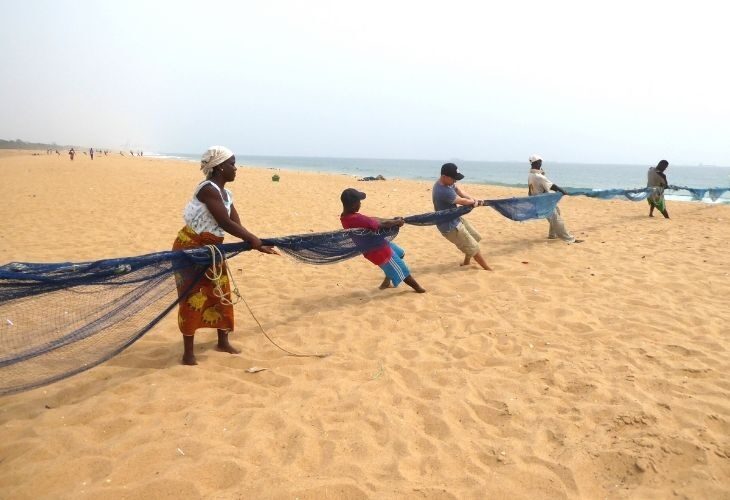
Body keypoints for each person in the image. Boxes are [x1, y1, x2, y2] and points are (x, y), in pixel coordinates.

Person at [173, 146, 277, 365]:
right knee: (193, 298)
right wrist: (253, 241)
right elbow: (224, 223)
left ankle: (223, 341)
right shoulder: (208, 189)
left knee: (221, 293)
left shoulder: (226, 194)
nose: (235, 169)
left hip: (213, 249)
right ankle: (188, 354)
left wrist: (254, 240)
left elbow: (236, 222)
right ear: (219, 167)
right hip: (191, 247)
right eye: (232, 164)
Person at [340, 188, 426, 293]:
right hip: (378, 250)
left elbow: (373, 219)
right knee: (401, 269)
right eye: (359, 202)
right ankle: (419, 289)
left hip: (376, 243)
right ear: (353, 204)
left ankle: (386, 282)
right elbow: (381, 225)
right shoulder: (355, 219)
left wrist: (393, 220)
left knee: (400, 253)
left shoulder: (346, 216)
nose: (360, 204)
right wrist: (396, 222)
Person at [432, 163, 492, 270]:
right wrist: (473, 202)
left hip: (455, 218)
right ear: (444, 177)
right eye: (453, 179)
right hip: (449, 226)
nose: (455, 181)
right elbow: (461, 201)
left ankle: (466, 262)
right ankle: (488, 269)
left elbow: (460, 192)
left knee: (475, 237)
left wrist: (474, 200)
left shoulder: (448, 183)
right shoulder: (442, 191)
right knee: (473, 247)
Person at [527, 155, 583, 244]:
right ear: (535, 163)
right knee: (557, 220)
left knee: (557, 211)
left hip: (538, 200)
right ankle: (569, 239)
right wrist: (562, 191)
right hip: (543, 202)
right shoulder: (539, 177)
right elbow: (552, 186)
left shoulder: (531, 175)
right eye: (539, 162)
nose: (541, 163)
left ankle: (552, 234)